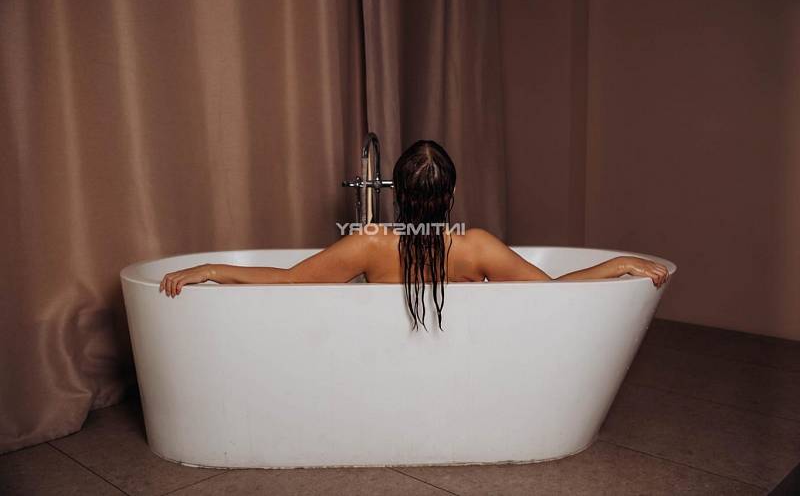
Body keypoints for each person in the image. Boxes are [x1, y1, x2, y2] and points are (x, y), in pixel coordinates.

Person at [159, 140, 669, 330]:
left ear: (396, 193)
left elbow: (291, 281)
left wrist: (212, 269)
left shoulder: (370, 241)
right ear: (451, 194)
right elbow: (552, 293)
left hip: (377, 368)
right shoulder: (477, 245)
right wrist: (616, 265)